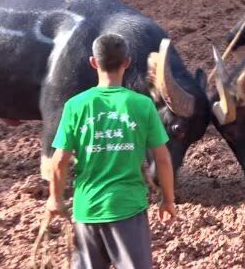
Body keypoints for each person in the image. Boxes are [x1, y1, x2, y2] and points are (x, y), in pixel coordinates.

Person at [45, 34, 177, 269]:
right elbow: (163, 159)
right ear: (127, 62)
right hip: (127, 208)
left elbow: (59, 161)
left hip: (87, 210)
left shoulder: (75, 106)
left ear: (94, 63)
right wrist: (168, 199)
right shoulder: (142, 105)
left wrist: (55, 199)